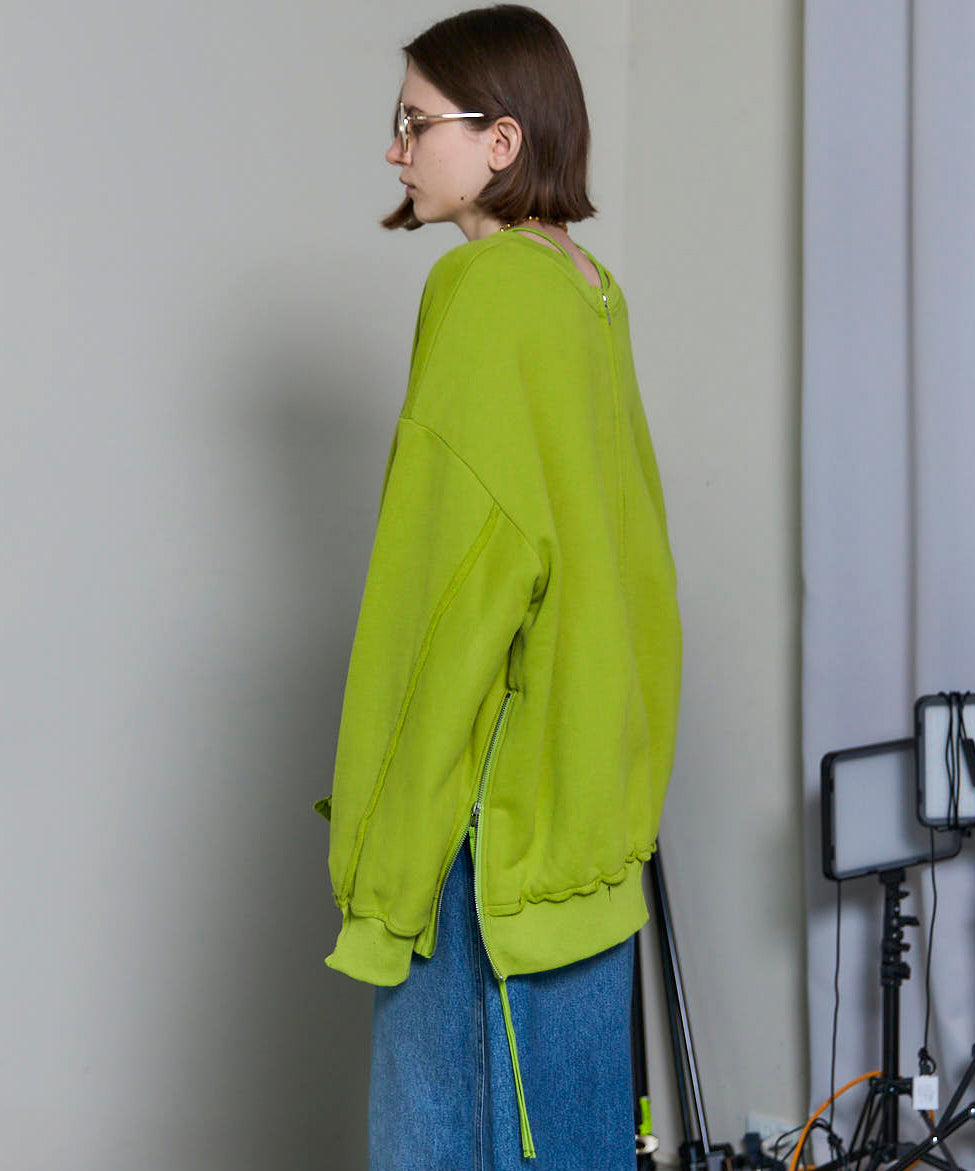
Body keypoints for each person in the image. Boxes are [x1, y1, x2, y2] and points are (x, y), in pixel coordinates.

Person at [314, 5, 682, 1167]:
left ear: (502, 140)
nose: (395, 149)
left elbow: (441, 602)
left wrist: (381, 866)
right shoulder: (589, 292)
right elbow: (630, 569)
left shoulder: (482, 292)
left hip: (485, 841)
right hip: (579, 829)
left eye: (416, 122)